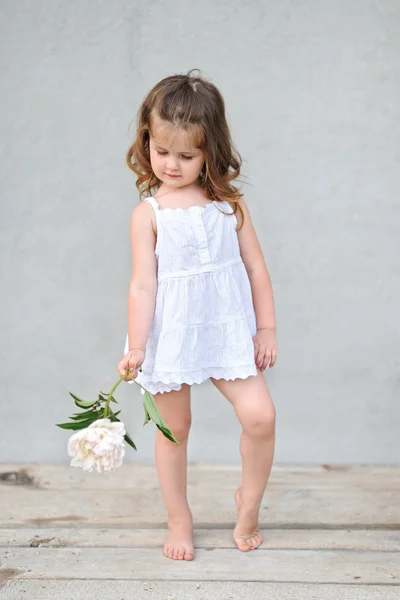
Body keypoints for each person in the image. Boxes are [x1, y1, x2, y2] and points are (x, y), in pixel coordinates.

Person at [117, 69, 277, 562]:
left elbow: (255, 268)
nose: (171, 164)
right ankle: (179, 517)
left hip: (227, 325)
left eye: (186, 155)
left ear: (211, 150)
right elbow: (144, 284)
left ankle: (247, 504)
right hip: (171, 331)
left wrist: (266, 326)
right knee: (174, 429)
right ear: (147, 142)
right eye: (162, 151)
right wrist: (138, 345)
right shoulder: (149, 215)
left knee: (260, 418)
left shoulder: (230, 205)